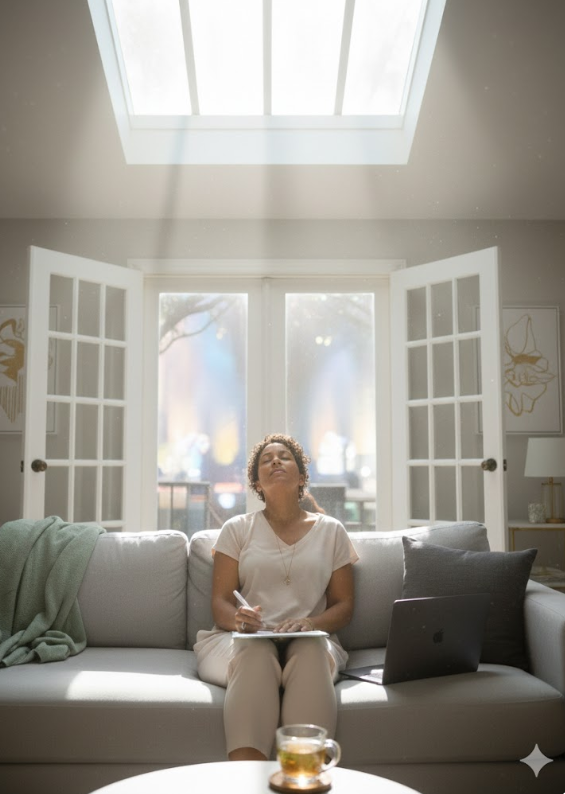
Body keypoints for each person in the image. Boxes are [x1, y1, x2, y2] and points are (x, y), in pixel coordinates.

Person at [194, 433, 359, 762]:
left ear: (302, 476)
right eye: (266, 460)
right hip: (242, 640)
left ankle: (304, 774)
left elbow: (344, 606)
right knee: (256, 655)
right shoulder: (236, 529)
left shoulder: (332, 531)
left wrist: (311, 623)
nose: (275, 461)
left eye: (284, 457)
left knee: (311, 653)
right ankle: (247, 777)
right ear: (257, 482)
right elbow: (220, 603)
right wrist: (239, 621)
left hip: (310, 640)